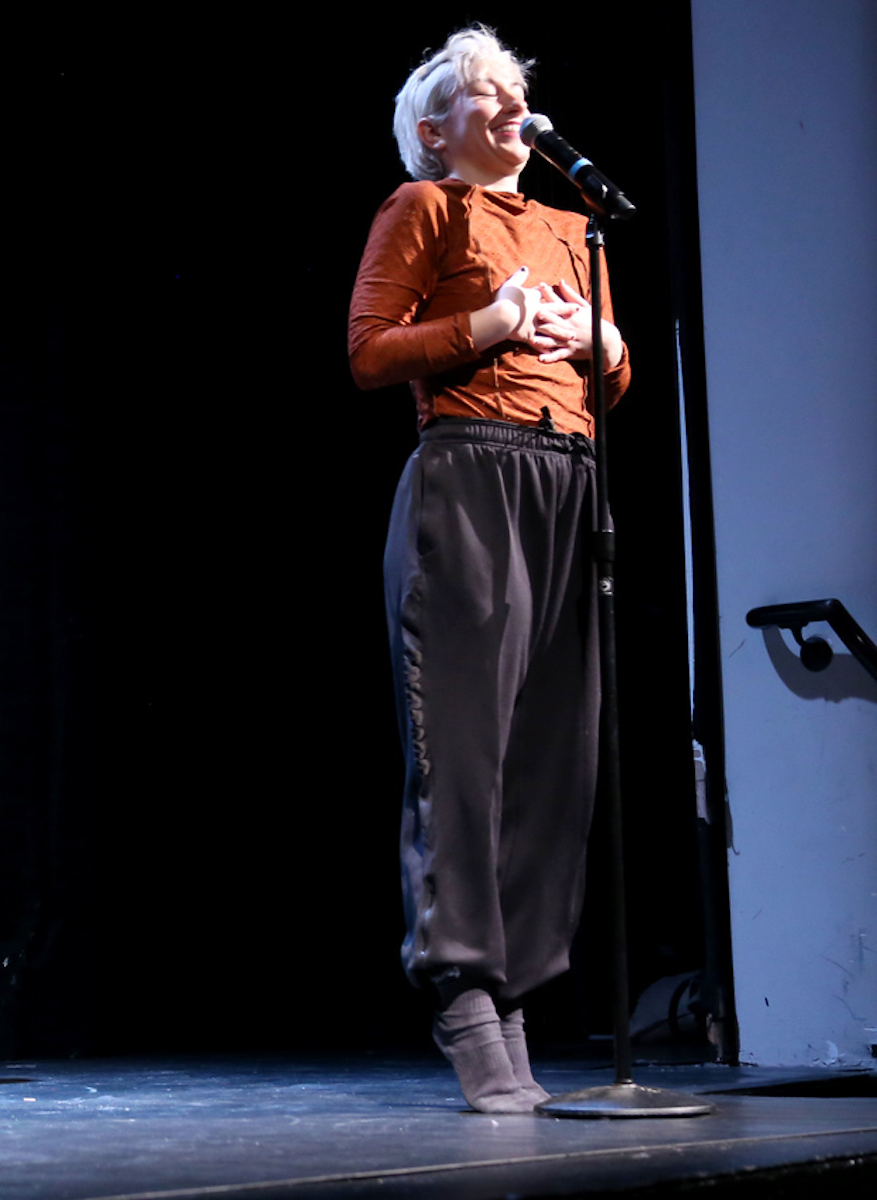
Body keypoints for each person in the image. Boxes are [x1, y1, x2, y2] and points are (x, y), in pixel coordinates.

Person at [348, 27, 631, 1113]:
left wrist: (602, 348)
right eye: (486, 96)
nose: (513, 109)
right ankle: (464, 991)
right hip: (471, 477)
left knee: (555, 759)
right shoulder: (424, 208)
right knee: (463, 754)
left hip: (571, 483)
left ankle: (513, 989)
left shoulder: (573, 227)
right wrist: (486, 322)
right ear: (436, 129)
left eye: (519, 94)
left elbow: (611, 376)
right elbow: (370, 352)